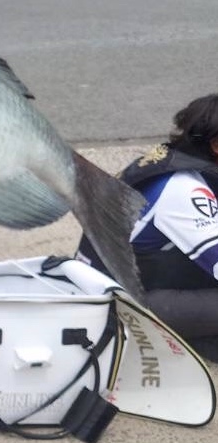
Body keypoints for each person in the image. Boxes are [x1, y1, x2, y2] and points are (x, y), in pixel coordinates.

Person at [77, 93, 218, 350]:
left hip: (109, 284)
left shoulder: (170, 161)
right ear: (215, 145)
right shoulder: (183, 189)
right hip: (110, 308)